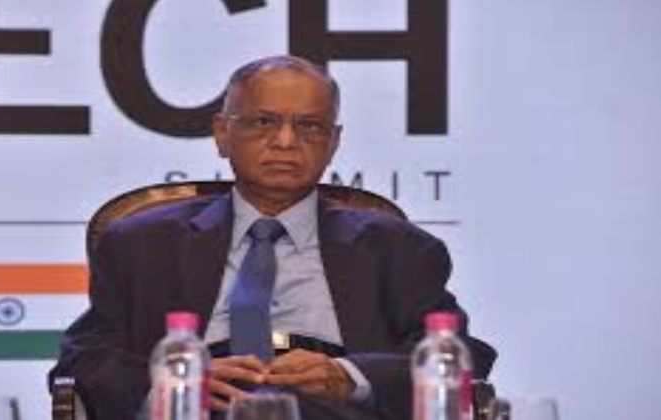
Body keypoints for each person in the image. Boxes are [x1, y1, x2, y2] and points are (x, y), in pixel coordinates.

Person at [49, 55, 496, 420]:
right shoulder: (142, 243)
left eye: (310, 127)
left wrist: (349, 376)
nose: (285, 141)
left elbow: (463, 357)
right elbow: (83, 359)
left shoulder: (398, 248)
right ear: (222, 134)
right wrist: (175, 381)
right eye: (263, 122)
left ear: (334, 142)